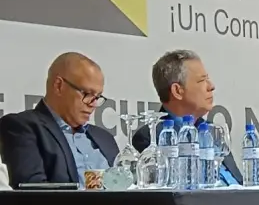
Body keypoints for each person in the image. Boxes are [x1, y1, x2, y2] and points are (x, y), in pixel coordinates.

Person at [0, 52, 118, 188]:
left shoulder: (105, 138)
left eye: (97, 97)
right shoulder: (22, 127)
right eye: (87, 94)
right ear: (59, 86)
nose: (93, 104)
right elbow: (33, 191)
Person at [132, 50, 243, 185]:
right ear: (177, 91)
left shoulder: (212, 132)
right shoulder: (152, 136)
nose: (211, 86)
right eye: (202, 80)